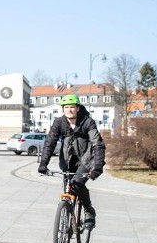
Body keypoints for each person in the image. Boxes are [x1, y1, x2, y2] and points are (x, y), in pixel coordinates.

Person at [38, 94, 106, 228]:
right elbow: (50, 142)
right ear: (63, 109)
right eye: (66, 107)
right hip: (68, 162)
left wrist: (97, 166)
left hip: (87, 160)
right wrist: (43, 163)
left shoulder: (87, 122)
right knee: (68, 187)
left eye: (72, 107)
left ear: (78, 108)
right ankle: (67, 212)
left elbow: (97, 144)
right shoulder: (59, 122)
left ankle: (88, 210)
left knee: (77, 184)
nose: (69, 110)